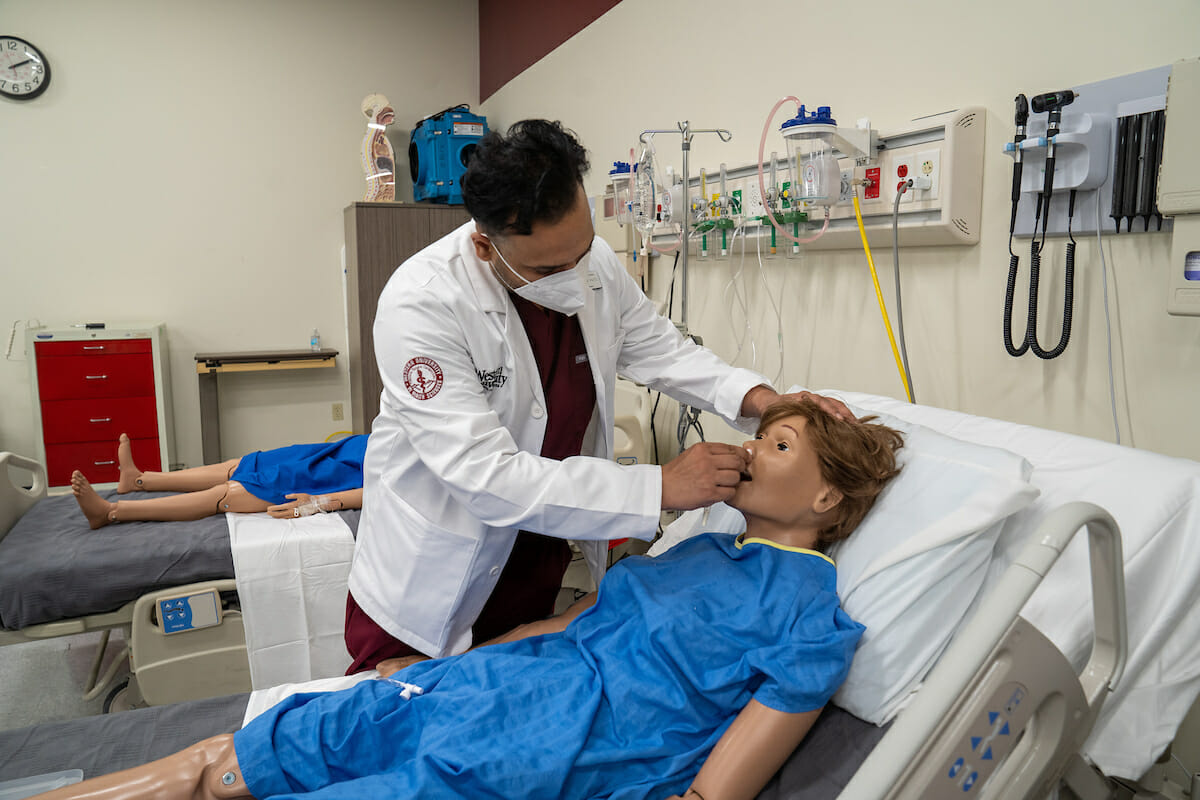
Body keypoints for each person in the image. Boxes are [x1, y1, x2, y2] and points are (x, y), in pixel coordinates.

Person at [32, 398, 903, 800]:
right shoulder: (699, 545)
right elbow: (566, 622)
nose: (751, 451)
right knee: (228, 756)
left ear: (828, 500)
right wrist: (450, 667)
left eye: (779, 444)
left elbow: (712, 796)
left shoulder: (809, 624)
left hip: (547, 749)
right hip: (485, 688)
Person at [346, 118, 854, 672]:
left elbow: (665, 352)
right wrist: (661, 484)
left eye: (583, 252)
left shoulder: (596, 265)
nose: (575, 276)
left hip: (535, 555)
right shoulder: (422, 302)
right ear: (486, 246)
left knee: (509, 686)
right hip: (432, 574)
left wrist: (765, 402)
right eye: (549, 267)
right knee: (391, 709)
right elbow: (484, 476)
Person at [69, 433, 367, 529]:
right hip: (343, 450)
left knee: (233, 491)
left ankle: (109, 512)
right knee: (243, 465)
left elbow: (385, 491)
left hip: (345, 475)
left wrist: (318, 503)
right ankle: (138, 481)